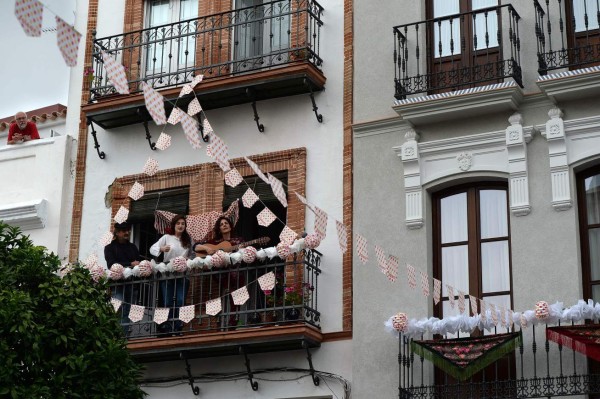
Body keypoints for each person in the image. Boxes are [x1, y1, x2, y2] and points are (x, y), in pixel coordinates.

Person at [194, 216, 249, 327]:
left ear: (230, 226)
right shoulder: (215, 242)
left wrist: (242, 249)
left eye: (226, 223)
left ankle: (233, 321)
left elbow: (244, 256)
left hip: (236, 272)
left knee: (237, 296)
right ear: (219, 229)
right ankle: (227, 323)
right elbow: (195, 247)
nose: (224, 225)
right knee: (229, 294)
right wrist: (208, 249)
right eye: (221, 224)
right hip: (222, 273)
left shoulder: (239, 240)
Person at [150, 215, 193, 335]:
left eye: (183, 224)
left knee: (180, 300)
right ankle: (167, 327)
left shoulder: (188, 240)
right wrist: (161, 249)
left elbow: (192, 254)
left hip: (183, 273)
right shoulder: (167, 237)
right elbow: (152, 248)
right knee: (167, 301)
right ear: (174, 225)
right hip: (167, 273)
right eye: (178, 223)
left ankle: (177, 326)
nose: (180, 225)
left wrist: (188, 259)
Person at [104, 222, 143, 337]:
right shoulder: (109, 248)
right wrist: (130, 264)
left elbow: (138, 263)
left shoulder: (132, 247)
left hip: (131, 284)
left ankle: (123, 338)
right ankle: (114, 336)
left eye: (128, 230)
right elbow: (111, 264)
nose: (127, 232)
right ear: (117, 232)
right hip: (117, 285)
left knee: (127, 311)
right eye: (124, 230)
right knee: (117, 308)